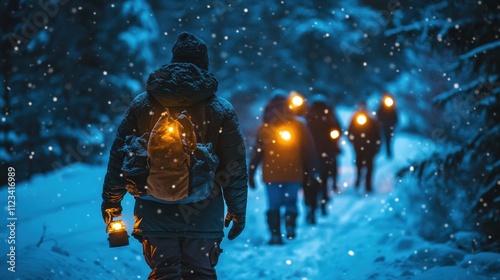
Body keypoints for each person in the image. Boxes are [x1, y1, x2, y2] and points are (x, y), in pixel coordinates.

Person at [101, 32, 248, 279]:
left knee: (165, 272)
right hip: (203, 212)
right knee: (200, 273)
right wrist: (237, 210)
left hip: (154, 213)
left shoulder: (142, 105)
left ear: (173, 61)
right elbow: (234, 166)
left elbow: (119, 157)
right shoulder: (220, 109)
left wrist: (111, 205)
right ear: (204, 64)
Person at [248, 89, 318, 245]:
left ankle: (275, 235)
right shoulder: (300, 125)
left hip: (271, 174)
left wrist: (251, 173)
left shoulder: (264, 128)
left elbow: (257, 153)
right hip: (294, 171)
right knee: (291, 201)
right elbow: (309, 150)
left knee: (273, 204)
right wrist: (313, 169)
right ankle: (290, 226)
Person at [303, 94, 342, 223]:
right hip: (322, 153)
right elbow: (338, 131)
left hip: (313, 155)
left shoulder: (310, 117)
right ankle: (319, 205)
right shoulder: (326, 117)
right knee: (322, 181)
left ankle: (312, 207)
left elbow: (337, 131)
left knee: (311, 183)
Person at [348, 102, 381, 194]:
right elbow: (350, 132)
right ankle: (358, 181)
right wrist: (352, 141)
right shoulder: (354, 121)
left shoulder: (372, 121)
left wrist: (377, 145)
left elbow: (377, 135)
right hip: (358, 147)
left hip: (370, 148)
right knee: (359, 164)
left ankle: (368, 185)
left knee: (369, 166)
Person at [376, 93, 398, 158]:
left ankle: (388, 152)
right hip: (383, 127)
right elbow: (378, 115)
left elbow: (395, 118)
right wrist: (380, 122)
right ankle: (379, 152)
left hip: (390, 127)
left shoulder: (392, 109)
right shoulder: (381, 107)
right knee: (380, 139)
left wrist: (393, 124)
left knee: (388, 140)